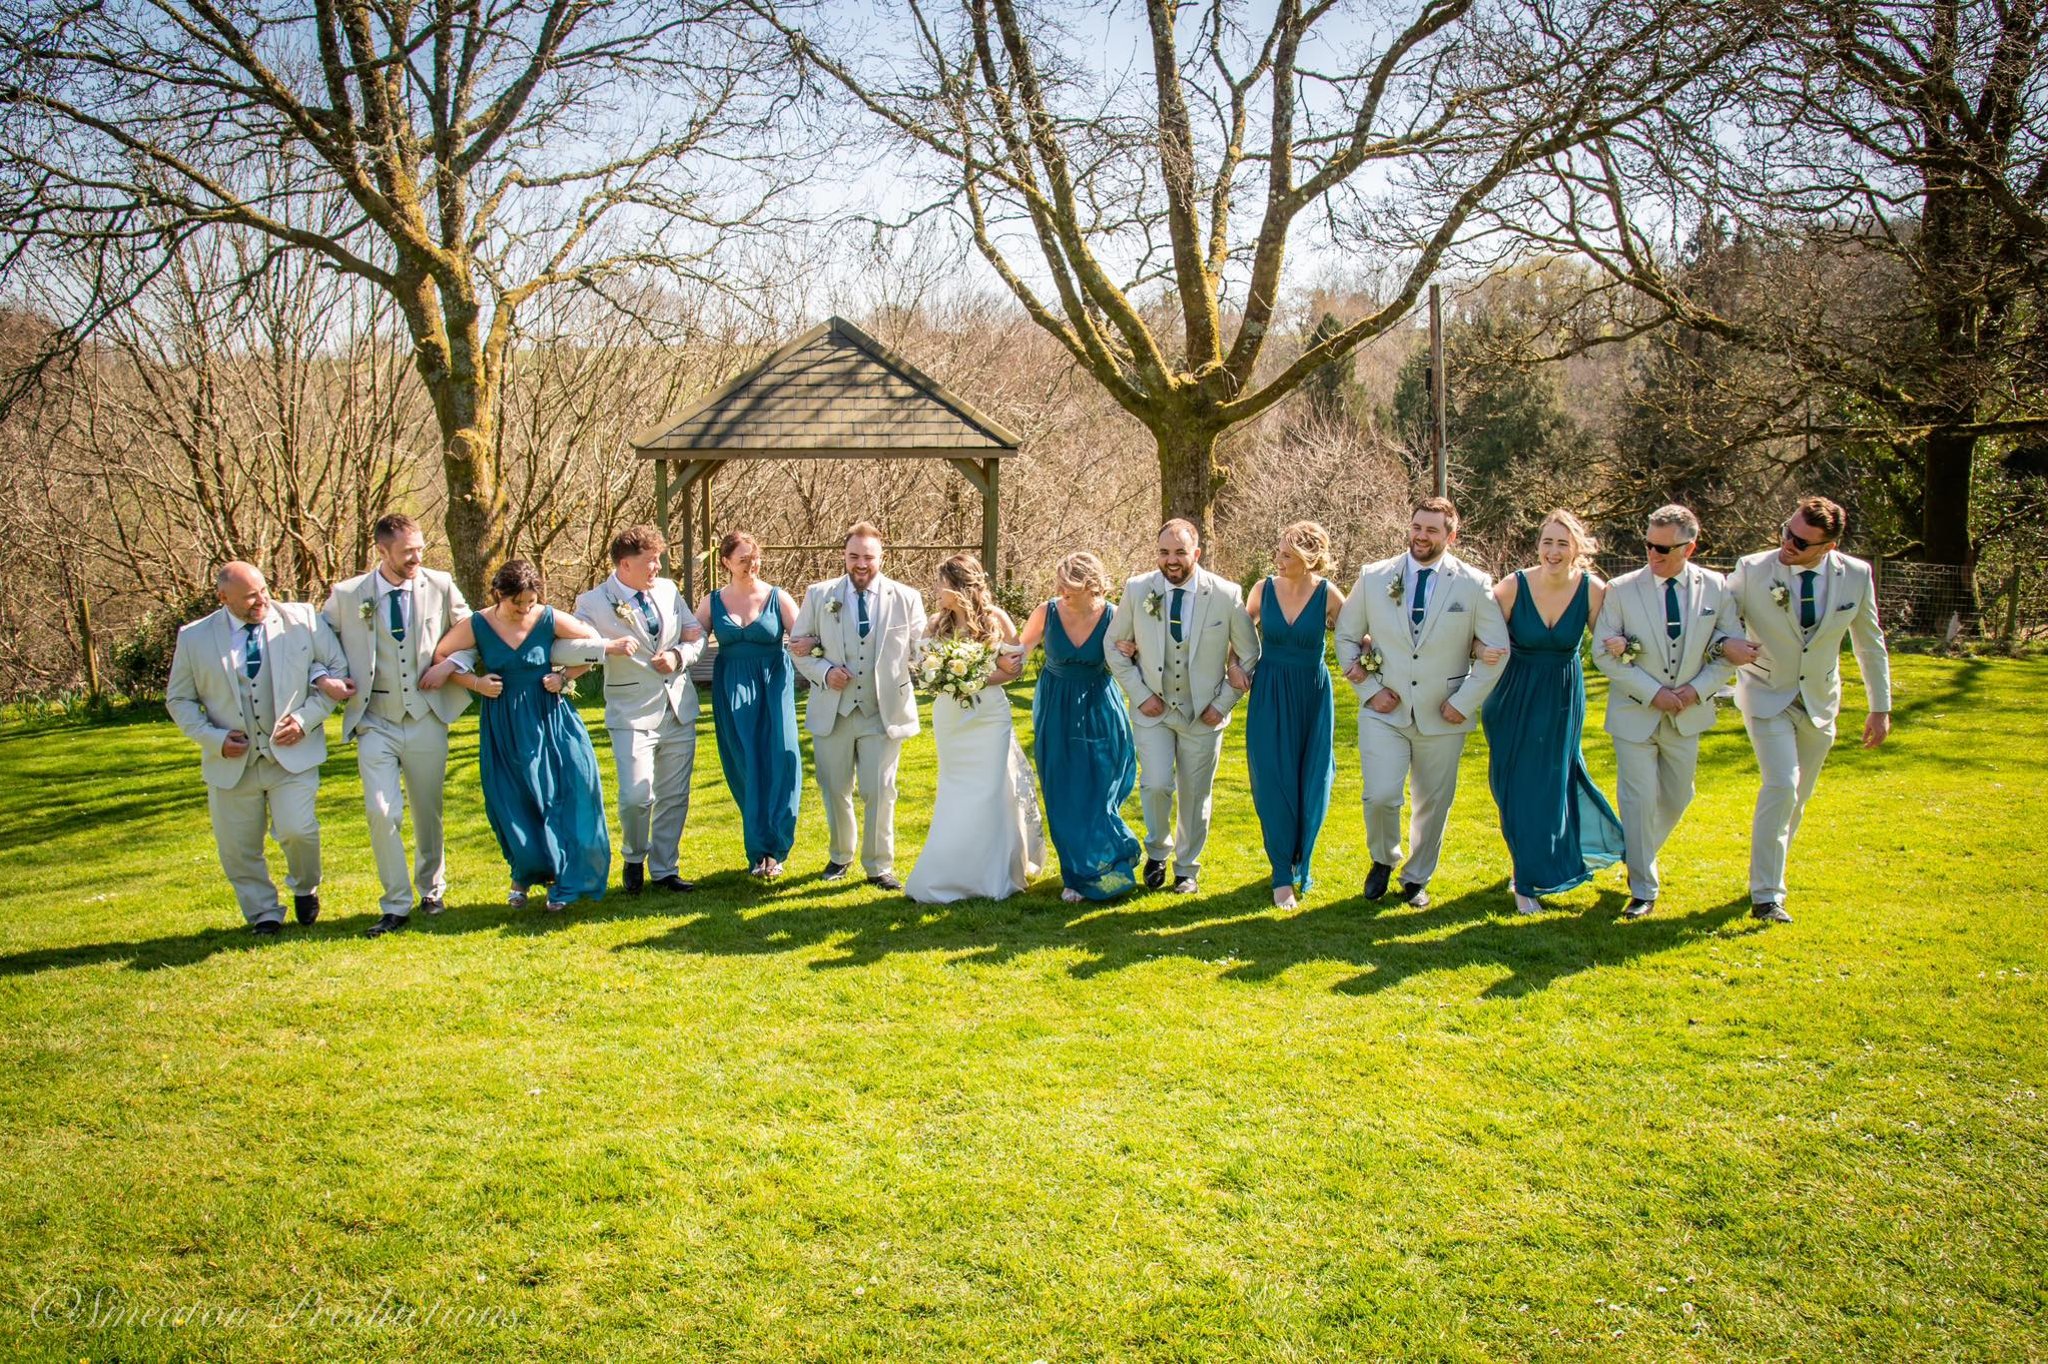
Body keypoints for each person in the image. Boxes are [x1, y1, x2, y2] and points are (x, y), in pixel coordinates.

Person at [1721, 495, 1893, 924]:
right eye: (1787, 532)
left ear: (1828, 547)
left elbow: (1870, 644)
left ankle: (1769, 873)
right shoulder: (1752, 569)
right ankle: (1766, 897)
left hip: (1820, 699)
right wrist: (1727, 645)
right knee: (1781, 785)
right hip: (1765, 692)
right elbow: (1718, 621)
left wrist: (1880, 707)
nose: (1788, 543)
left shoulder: (1857, 575)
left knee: (1798, 798)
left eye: (1800, 542)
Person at [1334, 497, 1509, 909]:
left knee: (1433, 803)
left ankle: (1416, 878)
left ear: (1452, 535)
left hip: (1444, 712)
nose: (1421, 536)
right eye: (1417, 527)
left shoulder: (1473, 583)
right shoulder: (1375, 576)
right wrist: (1369, 690)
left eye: (1432, 530)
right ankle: (1383, 857)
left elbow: (1497, 650)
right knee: (1380, 795)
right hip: (1384, 710)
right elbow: (1346, 636)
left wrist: (1463, 702)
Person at [433, 561, 631, 912]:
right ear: (499, 594)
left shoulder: (549, 618)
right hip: (504, 721)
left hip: (548, 716)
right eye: (517, 603)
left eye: (530, 601)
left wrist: (564, 677)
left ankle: (565, 879)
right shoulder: (478, 624)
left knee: (563, 792)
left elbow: (592, 646)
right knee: (512, 799)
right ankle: (523, 873)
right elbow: (442, 655)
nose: (525, 609)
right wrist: (476, 683)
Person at [165, 561, 348, 936]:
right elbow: (179, 700)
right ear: (223, 597)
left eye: (264, 590)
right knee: (238, 848)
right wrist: (214, 739)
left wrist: (304, 720)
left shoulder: (302, 619)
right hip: (232, 761)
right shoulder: (195, 637)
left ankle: (305, 886)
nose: (262, 600)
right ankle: (263, 913)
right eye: (250, 596)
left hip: (292, 754)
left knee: (298, 830)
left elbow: (338, 671)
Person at [318, 513, 477, 938]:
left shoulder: (440, 584)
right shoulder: (348, 595)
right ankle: (394, 903)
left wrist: (450, 667)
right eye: (408, 551)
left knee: (428, 810)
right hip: (374, 719)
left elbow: (472, 635)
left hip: (426, 714)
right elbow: (315, 643)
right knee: (381, 811)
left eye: (420, 549)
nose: (417, 558)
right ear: (382, 550)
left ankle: (432, 888)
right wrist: (324, 677)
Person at [1592, 504, 1741, 919]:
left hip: (1687, 713)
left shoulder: (1717, 587)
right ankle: (1643, 888)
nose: (1653, 554)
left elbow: (1729, 650)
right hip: (1634, 714)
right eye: (1648, 545)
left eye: (1663, 548)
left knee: (1679, 795)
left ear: (1689, 548)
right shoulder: (1620, 589)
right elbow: (1602, 654)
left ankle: (1634, 852)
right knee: (1637, 800)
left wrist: (1696, 690)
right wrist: (1653, 692)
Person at [1104, 519, 1260, 895]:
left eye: (1179, 552)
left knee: (1195, 794)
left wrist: (1222, 703)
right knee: (1156, 784)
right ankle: (1158, 850)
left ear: (1197, 553)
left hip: (1204, 714)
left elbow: (1250, 653)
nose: (1171, 560)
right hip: (1153, 711)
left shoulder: (1225, 594)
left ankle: (1187, 868)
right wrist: (1141, 694)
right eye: (1163, 552)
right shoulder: (1138, 588)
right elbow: (1113, 646)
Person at [1481, 510, 1626, 915]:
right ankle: (1525, 869)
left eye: (1563, 543)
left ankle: (1528, 876)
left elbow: (1608, 637)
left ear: (1577, 548)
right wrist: (1481, 649)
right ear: (1538, 545)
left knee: (1553, 783)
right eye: (1547, 542)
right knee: (1514, 788)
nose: (1554, 551)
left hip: (1561, 696)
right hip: (1512, 697)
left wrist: (1618, 642)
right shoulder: (1512, 586)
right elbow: (1478, 634)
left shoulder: (1592, 590)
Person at [787, 523, 926, 890]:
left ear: (882, 557)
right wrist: (824, 671)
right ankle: (840, 855)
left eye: (868, 557)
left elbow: (921, 649)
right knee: (835, 788)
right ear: (844, 556)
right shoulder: (819, 594)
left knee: (880, 790)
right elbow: (798, 647)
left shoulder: (906, 597)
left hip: (883, 710)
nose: (861, 564)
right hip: (834, 709)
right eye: (853, 556)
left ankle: (879, 865)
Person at [903, 554, 1044, 903]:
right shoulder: (936, 624)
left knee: (992, 790)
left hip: (989, 717)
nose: (937, 590)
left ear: (958, 586)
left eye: (941, 584)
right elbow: (923, 670)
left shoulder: (996, 619)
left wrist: (973, 678)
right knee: (955, 791)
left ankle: (993, 874)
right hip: (951, 718)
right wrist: (946, 677)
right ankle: (951, 871)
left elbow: (1013, 669)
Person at [575, 524, 706, 897]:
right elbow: (570, 647)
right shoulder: (593, 602)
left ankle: (665, 869)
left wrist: (679, 655)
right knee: (636, 797)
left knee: (674, 796)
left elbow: (695, 634)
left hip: (677, 707)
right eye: (650, 561)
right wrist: (607, 647)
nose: (657, 567)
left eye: (659, 559)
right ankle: (634, 856)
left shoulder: (667, 590)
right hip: (630, 712)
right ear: (625, 564)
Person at [1015, 551, 1141, 903]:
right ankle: (1074, 875)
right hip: (1056, 707)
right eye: (1059, 584)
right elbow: (1019, 651)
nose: (1060, 591)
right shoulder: (1047, 612)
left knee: (1101, 787)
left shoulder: (1114, 615)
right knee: (1062, 790)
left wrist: (1132, 651)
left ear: (1090, 585)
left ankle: (1108, 858)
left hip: (1100, 705)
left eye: (1068, 585)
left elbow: (1137, 659)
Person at [1242, 522, 1345, 909]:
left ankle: (1301, 856)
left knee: (1311, 778)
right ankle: (1281, 874)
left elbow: (1357, 634)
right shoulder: (1262, 589)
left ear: (1308, 559)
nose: (1278, 560)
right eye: (1279, 552)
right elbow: (1238, 633)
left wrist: (1372, 657)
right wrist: (1234, 665)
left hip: (1312, 695)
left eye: (1287, 555)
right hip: (1269, 692)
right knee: (1272, 778)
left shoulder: (1328, 594)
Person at [696, 531, 802, 879]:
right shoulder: (711, 602)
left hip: (774, 685)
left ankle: (778, 847)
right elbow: (691, 639)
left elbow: (804, 634)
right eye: (743, 559)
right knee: (745, 763)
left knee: (782, 756)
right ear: (725, 562)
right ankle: (759, 851)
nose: (751, 565)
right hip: (731, 688)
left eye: (755, 558)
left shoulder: (778, 597)